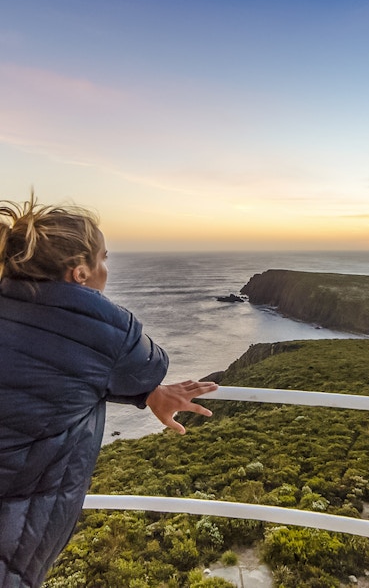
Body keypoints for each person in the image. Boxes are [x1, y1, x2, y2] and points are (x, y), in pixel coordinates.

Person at [0, 194, 218, 588]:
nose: (106, 269)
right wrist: (151, 391)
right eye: (102, 258)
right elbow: (149, 366)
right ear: (79, 273)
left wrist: (143, 391)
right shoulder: (109, 331)